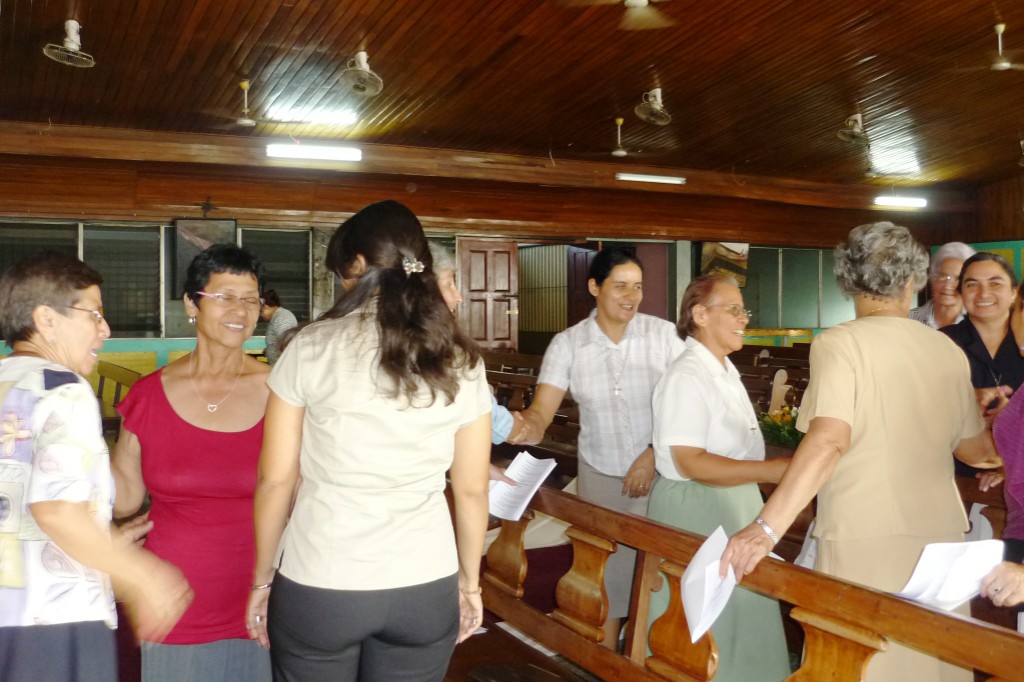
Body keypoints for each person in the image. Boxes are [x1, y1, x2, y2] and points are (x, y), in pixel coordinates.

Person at [721, 222, 1001, 682]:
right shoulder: (945, 349)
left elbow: (829, 439)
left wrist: (766, 528)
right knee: (933, 662)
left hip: (864, 532)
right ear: (913, 280)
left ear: (847, 279)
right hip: (941, 534)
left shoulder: (840, 343)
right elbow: (977, 452)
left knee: (865, 662)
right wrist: (1005, 433)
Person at [247, 200, 491, 681]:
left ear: (358, 264)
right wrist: (469, 585)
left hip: (323, 577)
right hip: (425, 581)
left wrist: (262, 579)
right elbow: (471, 489)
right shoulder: (459, 360)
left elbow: (276, 481)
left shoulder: (311, 347)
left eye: (342, 271)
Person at [0, 252, 192, 682]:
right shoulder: (63, 389)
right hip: (51, 619)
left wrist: (103, 540)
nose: (104, 330)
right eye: (94, 314)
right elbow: (56, 509)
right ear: (47, 319)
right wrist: (143, 575)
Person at [111, 245, 272, 681]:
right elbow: (125, 498)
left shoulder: (278, 390)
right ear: (190, 303)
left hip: (260, 596)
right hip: (173, 598)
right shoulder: (148, 395)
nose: (240, 310)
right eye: (225, 296)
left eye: (251, 299)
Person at [508, 247, 684, 645]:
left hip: (660, 473)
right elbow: (541, 412)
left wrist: (653, 452)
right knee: (603, 573)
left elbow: (688, 407)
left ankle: (647, 657)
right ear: (595, 287)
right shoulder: (568, 344)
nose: (631, 296)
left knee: (656, 573)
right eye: (620, 286)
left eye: (637, 286)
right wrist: (519, 427)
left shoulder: (664, 336)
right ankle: (603, 659)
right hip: (600, 476)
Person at [649, 274, 789, 682]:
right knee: (705, 624)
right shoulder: (687, 375)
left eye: (744, 310)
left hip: (733, 502)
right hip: (697, 506)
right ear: (700, 315)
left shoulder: (722, 369)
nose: (744, 318)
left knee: (744, 616)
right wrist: (772, 471)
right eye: (733, 309)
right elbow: (690, 462)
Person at [941, 252, 1020, 485]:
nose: (983, 293)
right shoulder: (941, 342)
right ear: (960, 293)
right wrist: (967, 404)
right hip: (956, 476)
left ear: (1014, 292)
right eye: (972, 284)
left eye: (995, 284)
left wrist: (1014, 418)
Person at [908, 241, 975, 329]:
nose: (947, 285)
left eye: (957, 279)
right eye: (943, 276)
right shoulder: (908, 319)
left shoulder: (977, 324)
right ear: (933, 278)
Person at [259, 289, 298, 365]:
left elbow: (288, 342)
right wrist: (269, 349)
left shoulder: (282, 318)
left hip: (284, 366)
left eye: (261, 312)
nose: (261, 315)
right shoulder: (277, 316)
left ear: (266, 306)